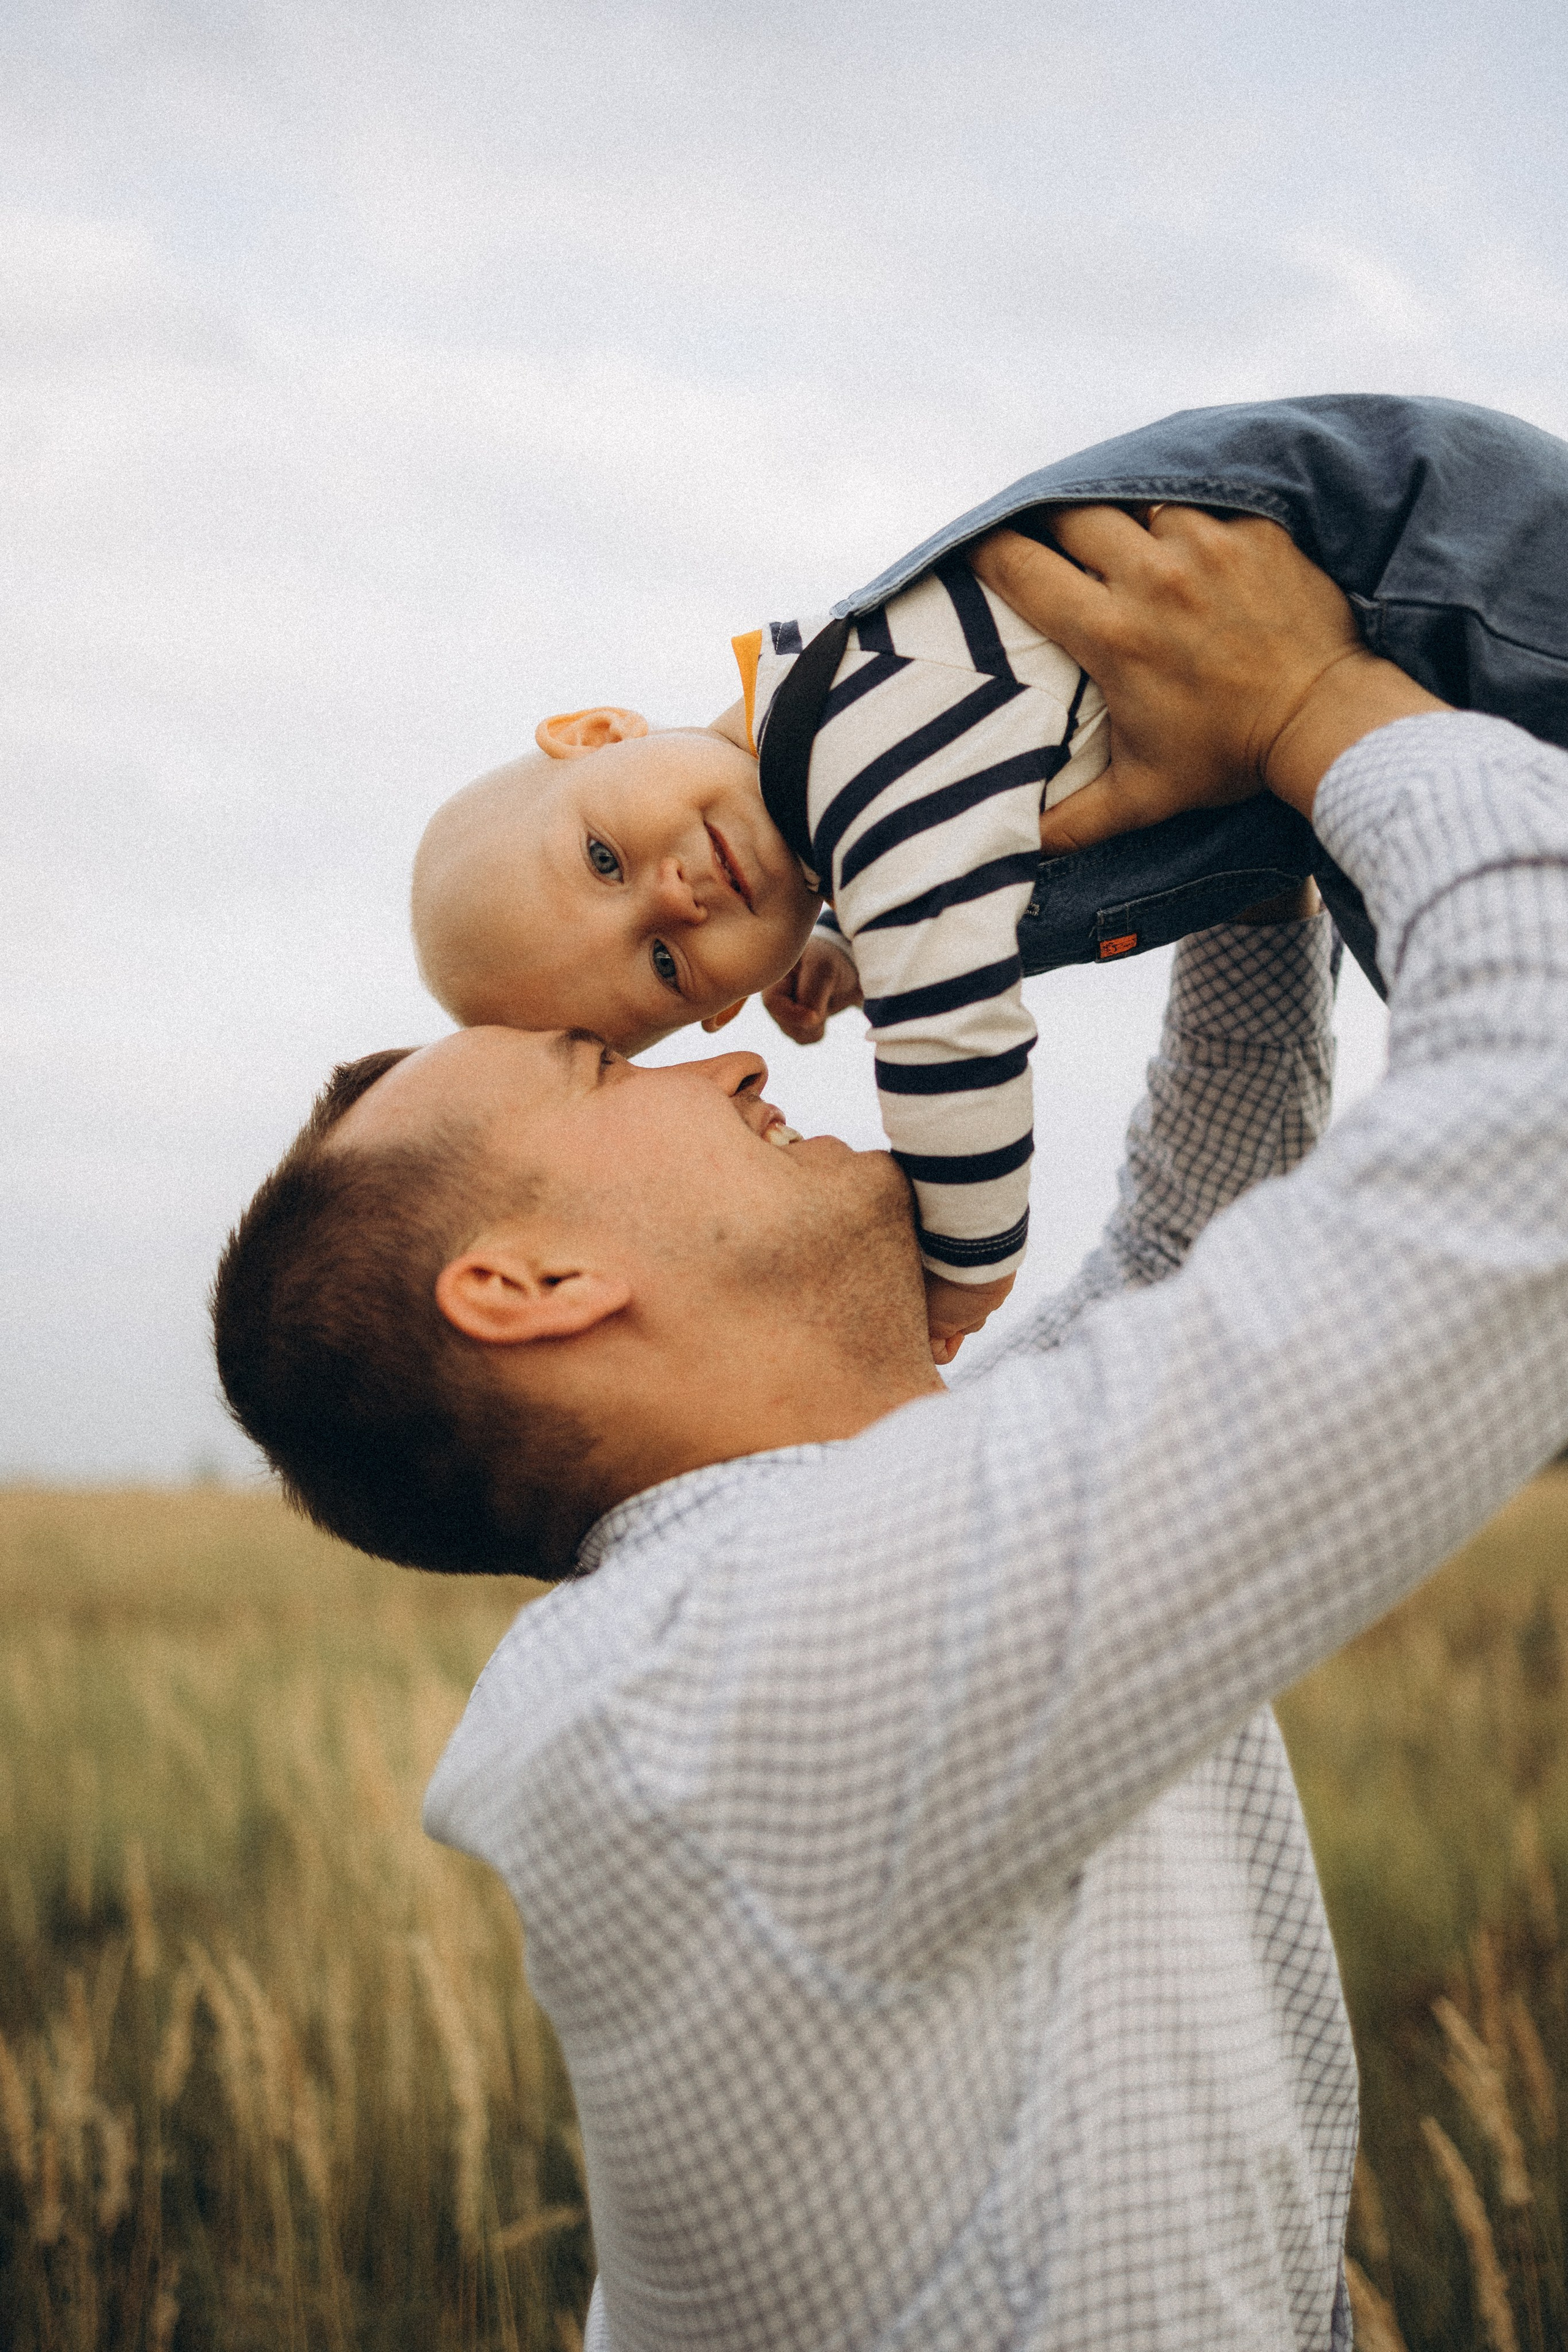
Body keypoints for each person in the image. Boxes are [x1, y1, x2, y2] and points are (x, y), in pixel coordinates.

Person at [212, 508, 1568, 2350]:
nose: (742, 1047)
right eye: (620, 1056)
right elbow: (1530, 1161)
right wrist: (1327, 706)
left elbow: (1196, 1232)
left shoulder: (823, 1545)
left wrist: (1226, 847)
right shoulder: (744, 1683)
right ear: (525, 1286)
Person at [410, 394, 1568, 1360]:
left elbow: (951, 1032)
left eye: (603, 858)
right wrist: (848, 950)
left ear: (601, 728)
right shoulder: (849, 753)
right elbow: (942, 866)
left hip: (1446, 596)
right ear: (721, 1005)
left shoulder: (860, 759)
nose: (672, 898)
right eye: (664, 964)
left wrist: (960, 1268)